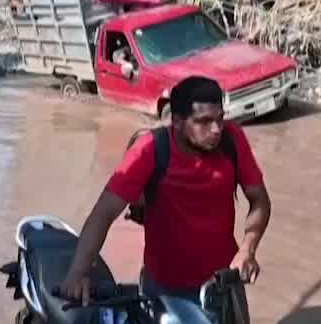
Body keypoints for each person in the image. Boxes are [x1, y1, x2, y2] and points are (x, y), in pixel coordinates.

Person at [59, 76, 272, 303]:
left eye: (220, 118)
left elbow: (259, 199)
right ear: (177, 121)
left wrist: (248, 249)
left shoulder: (232, 139)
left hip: (224, 281)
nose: (216, 129)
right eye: (204, 121)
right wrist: (78, 272)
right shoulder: (150, 150)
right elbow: (104, 212)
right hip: (166, 289)